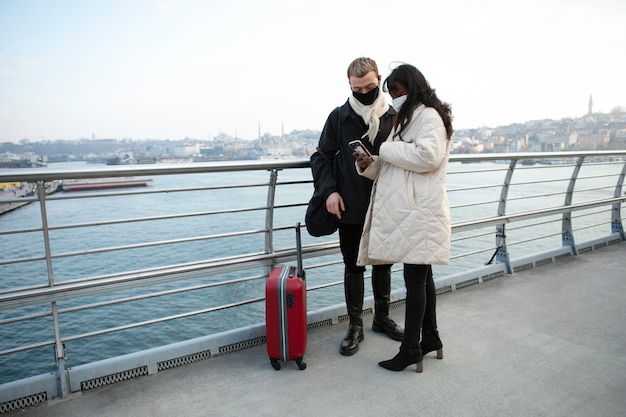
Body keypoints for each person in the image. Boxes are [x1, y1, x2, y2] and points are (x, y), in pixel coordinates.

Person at [355, 63, 453, 372]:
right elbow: (399, 162)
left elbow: (427, 157)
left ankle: (411, 348)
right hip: (413, 209)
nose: (393, 98)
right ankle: (431, 338)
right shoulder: (410, 117)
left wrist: (385, 147)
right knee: (422, 279)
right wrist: (369, 163)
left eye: (396, 92)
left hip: (419, 211)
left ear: (410, 87)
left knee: (415, 281)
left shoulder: (428, 116)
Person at [310, 57, 404, 356]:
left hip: (385, 202)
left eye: (370, 86)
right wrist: (329, 192)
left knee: (384, 262)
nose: (364, 92)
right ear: (349, 85)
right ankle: (355, 325)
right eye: (357, 88)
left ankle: (382, 318)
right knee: (353, 266)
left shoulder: (394, 115)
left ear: (379, 79)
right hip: (349, 204)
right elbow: (320, 157)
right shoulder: (339, 117)